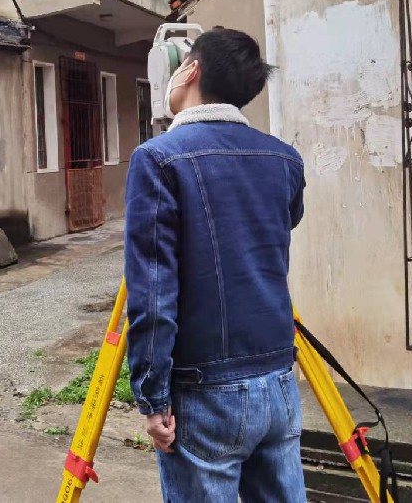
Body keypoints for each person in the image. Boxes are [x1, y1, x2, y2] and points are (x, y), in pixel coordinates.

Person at [124, 28, 307, 502]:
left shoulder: (157, 159)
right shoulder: (284, 160)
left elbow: (153, 291)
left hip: (204, 392)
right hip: (279, 381)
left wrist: (152, 397)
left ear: (191, 70)